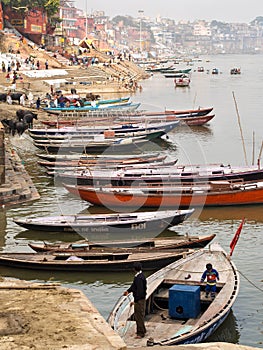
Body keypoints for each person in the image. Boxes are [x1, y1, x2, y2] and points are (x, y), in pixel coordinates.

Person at [123, 262, 147, 339]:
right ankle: (142, 329)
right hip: (140, 299)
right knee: (140, 315)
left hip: (139, 300)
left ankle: (141, 333)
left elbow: (139, 291)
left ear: (134, 269)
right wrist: (128, 291)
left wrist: (135, 301)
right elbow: (134, 286)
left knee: (139, 316)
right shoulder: (139, 276)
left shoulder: (139, 278)